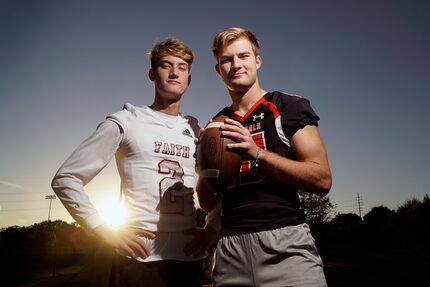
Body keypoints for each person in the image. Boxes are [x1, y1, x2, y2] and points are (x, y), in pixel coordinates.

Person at [51, 37, 218, 287]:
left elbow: (225, 187)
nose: (174, 73)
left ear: (189, 79)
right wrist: (103, 230)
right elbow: (66, 179)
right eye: (166, 65)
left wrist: (213, 228)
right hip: (138, 258)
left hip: (187, 257)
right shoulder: (126, 121)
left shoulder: (198, 130)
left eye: (182, 67)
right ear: (152, 74)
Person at [197, 27, 332, 286]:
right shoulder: (216, 125)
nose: (236, 65)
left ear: (257, 61)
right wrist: (202, 166)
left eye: (243, 56)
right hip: (230, 247)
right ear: (218, 69)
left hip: (285, 243)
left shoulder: (287, 107)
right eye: (226, 60)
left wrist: (258, 153)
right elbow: (206, 203)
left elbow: (322, 179)